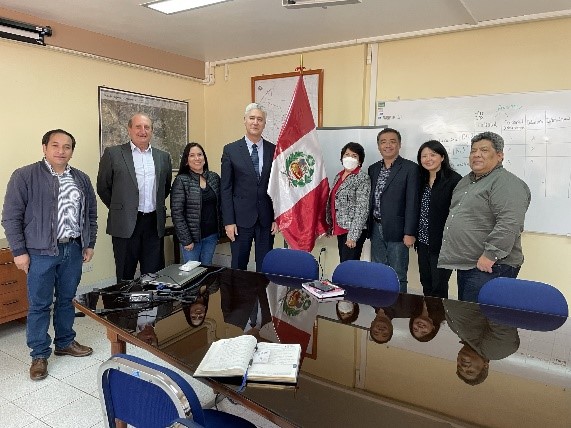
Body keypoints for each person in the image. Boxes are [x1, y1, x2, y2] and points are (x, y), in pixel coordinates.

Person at [1, 129, 98, 381]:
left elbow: (90, 214)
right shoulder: (25, 175)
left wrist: (89, 243)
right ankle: (39, 355)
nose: (61, 151)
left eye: (67, 147)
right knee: (40, 304)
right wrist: (19, 251)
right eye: (55, 145)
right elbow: (11, 217)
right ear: (44, 148)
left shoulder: (81, 178)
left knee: (66, 299)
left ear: (72, 151)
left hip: (73, 249)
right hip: (39, 252)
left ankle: (65, 342)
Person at [438, 132, 531, 302]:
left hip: (491, 266)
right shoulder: (466, 182)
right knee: (469, 313)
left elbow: (510, 223)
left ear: (500, 156)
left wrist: (490, 256)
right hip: (468, 264)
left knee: (481, 316)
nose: (477, 154)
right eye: (473, 151)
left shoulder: (506, 183)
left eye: (484, 150)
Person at [97, 113, 172, 282]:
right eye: (138, 127)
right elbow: (103, 187)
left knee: (153, 276)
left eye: (147, 127)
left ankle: (151, 301)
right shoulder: (113, 154)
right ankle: (124, 301)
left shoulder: (163, 157)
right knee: (125, 275)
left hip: (153, 224)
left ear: (152, 131)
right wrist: (123, 208)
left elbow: (165, 188)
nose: (142, 131)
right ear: (129, 129)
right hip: (125, 223)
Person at [221, 103, 278, 271]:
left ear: (264, 123)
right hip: (240, 221)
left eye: (260, 119)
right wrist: (229, 222)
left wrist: (277, 217)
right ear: (244, 120)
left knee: (265, 267)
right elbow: (226, 189)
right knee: (238, 267)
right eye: (252, 118)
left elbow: (278, 187)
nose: (255, 122)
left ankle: (263, 290)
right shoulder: (231, 150)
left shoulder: (274, 150)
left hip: (266, 220)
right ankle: (238, 291)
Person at [368, 128, 419, 292]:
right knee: (378, 271)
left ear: (399, 145)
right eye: (383, 142)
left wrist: (410, 232)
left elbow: (412, 202)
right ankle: (380, 305)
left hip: (399, 230)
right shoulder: (373, 169)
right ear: (378, 146)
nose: (388, 145)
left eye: (392, 141)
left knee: (398, 273)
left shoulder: (410, 168)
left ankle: (398, 305)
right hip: (376, 227)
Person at [415, 140, 462, 298]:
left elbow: (458, 214)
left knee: (439, 286)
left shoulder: (454, 180)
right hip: (423, 242)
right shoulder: (420, 179)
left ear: (442, 157)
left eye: (433, 155)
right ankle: (429, 313)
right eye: (424, 156)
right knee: (426, 282)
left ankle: (439, 314)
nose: (428, 159)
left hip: (443, 244)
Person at [170, 142, 222, 265]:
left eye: (200, 154)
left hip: (211, 235)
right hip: (191, 239)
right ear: (186, 160)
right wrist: (186, 240)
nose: (197, 158)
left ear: (204, 158)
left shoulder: (214, 177)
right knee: (192, 272)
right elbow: (177, 213)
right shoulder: (181, 181)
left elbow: (221, 205)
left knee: (206, 268)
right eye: (192, 155)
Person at [326, 142, 370, 262]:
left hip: (352, 231)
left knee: (349, 267)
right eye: (347, 154)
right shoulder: (339, 176)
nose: (349, 158)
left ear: (360, 160)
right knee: (344, 263)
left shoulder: (362, 178)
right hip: (340, 227)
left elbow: (362, 209)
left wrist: (353, 236)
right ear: (342, 157)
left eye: (354, 156)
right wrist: (330, 226)